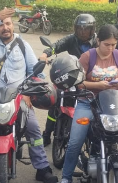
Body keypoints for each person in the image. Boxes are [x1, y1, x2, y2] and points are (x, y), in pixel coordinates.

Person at [0, 7, 58, 183]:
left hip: (18, 96)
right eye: (0, 25)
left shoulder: (23, 45)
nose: (4, 27)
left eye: (7, 24)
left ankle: (42, 168)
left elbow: (34, 72)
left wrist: (28, 93)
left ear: (13, 25)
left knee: (33, 129)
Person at [55, 25, 118, 183]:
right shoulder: (87, 56)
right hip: (87, 102)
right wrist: (99, 85)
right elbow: (79, 83)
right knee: (75, 141)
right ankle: (66, 181)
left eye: (114, 44)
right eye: (107, 44)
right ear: (98, 41)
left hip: (112, 102)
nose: (111, 48)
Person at [39, 14, 97, 146]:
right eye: (80, 29)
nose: (82, 32)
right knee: (56, 99)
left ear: (92, 30)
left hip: (89, 79)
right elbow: (56, 46)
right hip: (71, 77)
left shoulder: (97, 42)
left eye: (86, 29)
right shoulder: (71, 39)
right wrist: (45, 54)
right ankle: (47, 134)